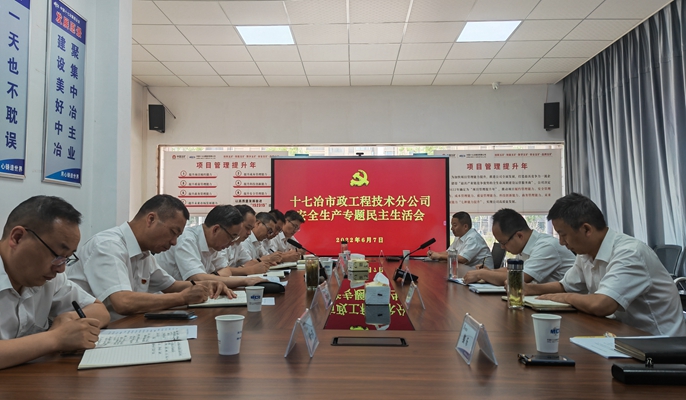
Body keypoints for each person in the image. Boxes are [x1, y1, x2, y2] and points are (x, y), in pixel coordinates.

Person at [527, 193, 686, 336]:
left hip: (659, 344)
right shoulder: (586, 253)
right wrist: (529, 289)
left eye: (563, 235)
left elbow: (602, 304)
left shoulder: (629, 253)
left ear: (586, 229)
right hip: (622, 334)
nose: (562, 242)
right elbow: (566, 286)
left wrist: (563, 298)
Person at [67, 195, 232, 321]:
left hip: (124, 326)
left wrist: (206, 284)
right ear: (151, 219)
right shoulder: (108, 245)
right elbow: (123, 302)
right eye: (173, 233)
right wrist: (182, 298)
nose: (174, 242)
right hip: (86, 333)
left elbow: (170, 285)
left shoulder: (144, 252)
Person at [0, 196, 110, 370]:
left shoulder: (49, 277)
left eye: (67, 258)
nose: (61, 269)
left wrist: (69, 319)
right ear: (18, 237)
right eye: (57, 255)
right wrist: (56, 338)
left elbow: (99, 310)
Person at [154, 205, 266, 287]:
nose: (232, 243)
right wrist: (246, 281)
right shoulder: (187, 239)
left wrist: (211, 277)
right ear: (216, 229)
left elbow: (226, 270)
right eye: (232, 237)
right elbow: (198, 278)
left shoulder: (214, 244)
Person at [463, 208, 575, 286]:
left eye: (504, 242)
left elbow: (520, 278)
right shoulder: (526, 246)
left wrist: (482, 274)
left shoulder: (546, 246)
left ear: (519, 236)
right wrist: (491, 272)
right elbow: (512, 270)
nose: (502, 247)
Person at [427, 212, 493, 268]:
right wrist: (435, 254)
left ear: (465, 227)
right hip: (468, 270)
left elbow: (462, 259)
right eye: (452, 225)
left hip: (484, 274)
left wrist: (439, 256)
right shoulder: (458, 237)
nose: (451, 228)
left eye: (455, 225)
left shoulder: (473, 238)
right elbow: (449, 252)